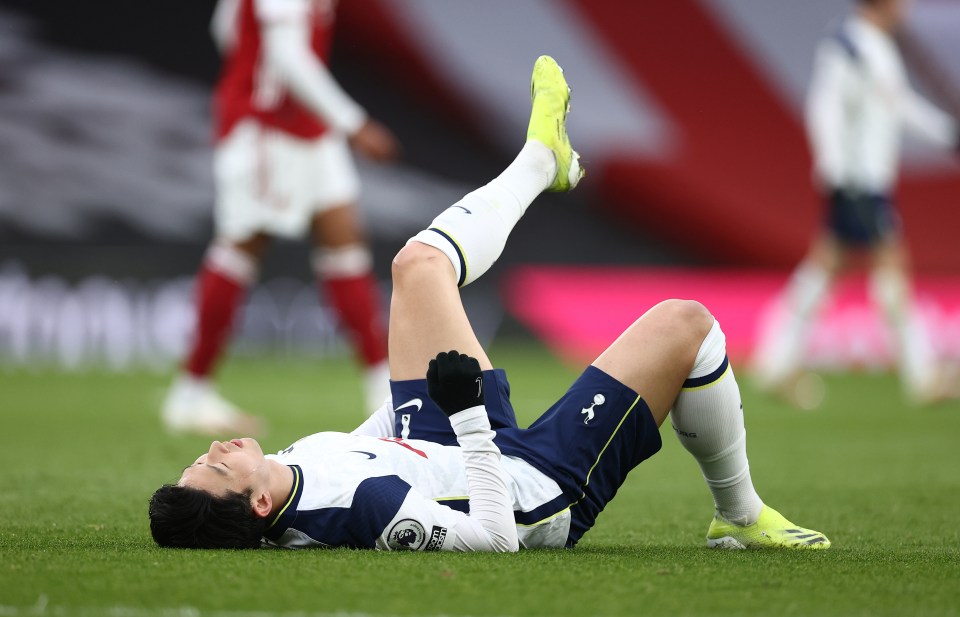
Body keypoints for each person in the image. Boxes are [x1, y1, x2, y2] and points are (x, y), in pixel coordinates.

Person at [149, 56, 831, 552]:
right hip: (529, 487)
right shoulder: (367, 513)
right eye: (215, 467)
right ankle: (739, 514)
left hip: (439, 441)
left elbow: (368, 450)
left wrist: (422, 395)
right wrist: (469, 412)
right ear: (259, 501)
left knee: (417, 265)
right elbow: (497, 539)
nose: (213, 448)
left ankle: (541, 158)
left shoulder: (287, 471)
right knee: (688, 324)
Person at [161, 0, 399, 435]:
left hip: (308, 128)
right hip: (268, 128)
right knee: (241, 248)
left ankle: (384, 393)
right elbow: (287, 55)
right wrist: (354, 122)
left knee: (345, 243)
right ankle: (190, 394)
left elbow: (226, 26)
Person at [751, 0, 960, 405]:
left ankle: (774, 362)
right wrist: (832, 169)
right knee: (889, 267)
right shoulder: (846, 44)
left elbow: (899, 107)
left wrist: (947, 134)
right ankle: (922, 376)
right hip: (855, 181)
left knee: (828, 266)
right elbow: (824, 108)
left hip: (870, 181)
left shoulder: (876, 46)